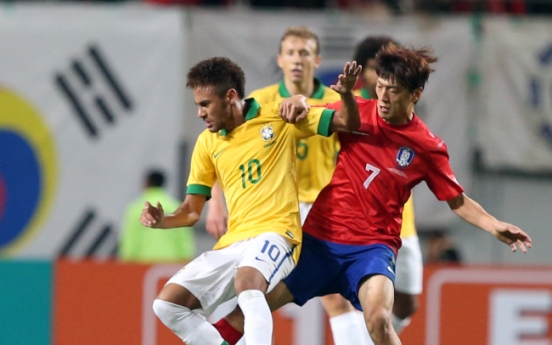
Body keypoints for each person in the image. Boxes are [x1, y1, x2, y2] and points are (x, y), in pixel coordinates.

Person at [212, 45, 532, 345]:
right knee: (249, 309)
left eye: (394, 91)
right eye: (380, 86)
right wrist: (298, 101)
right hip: (320, 240)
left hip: (372, 249)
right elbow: (312, 110)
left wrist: (493, 225)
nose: (383, 97)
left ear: (416, 94)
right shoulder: (358, 113)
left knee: (379, 320)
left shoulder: (428, 147)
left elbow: (457, 200)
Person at [139, 56, 362, 345]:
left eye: (205, 104)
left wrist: (341, 95)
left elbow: (348, 122)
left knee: (247, 283)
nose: (199, 113)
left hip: (278, 233)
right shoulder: (207, 142)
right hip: (234, 243)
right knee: (167, 305)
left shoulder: (279, 117)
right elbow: (192, 212)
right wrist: (163, 221)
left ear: (230, 96)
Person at [350, 35, 423, 340]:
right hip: (362, 226)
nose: (380, 77)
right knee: (366, 303)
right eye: (373, 68)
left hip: (402, 223)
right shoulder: (349, 108)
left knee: (406, 304)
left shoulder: (400, 106)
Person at [119, 170, 196, 263]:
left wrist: (126, 264)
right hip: (171, 265)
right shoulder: (177, 207)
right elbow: (184, 242)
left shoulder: (135, 209)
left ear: (147, 183)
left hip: (142, 266)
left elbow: (129, 243)